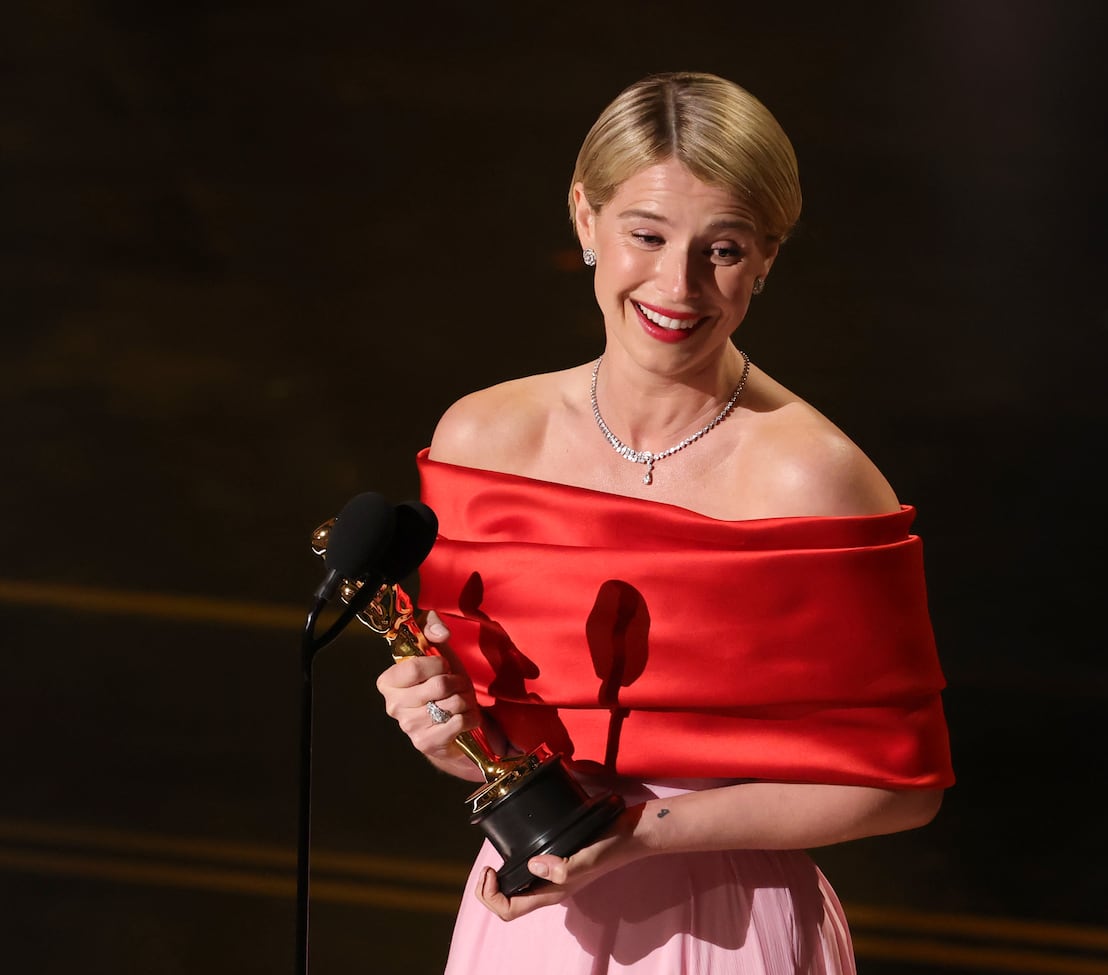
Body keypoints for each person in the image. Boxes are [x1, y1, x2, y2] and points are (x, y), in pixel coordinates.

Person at [376, 71, 953, 974]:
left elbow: (901, 786)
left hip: (731, 925)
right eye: (647, 235)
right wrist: (438, 724)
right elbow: (488, 748)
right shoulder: (482, 439)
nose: (677, 286)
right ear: (584, 219)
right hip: (530, 920)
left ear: (768, 256)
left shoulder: (816, 476)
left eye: (722, 248)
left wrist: (644, 835)